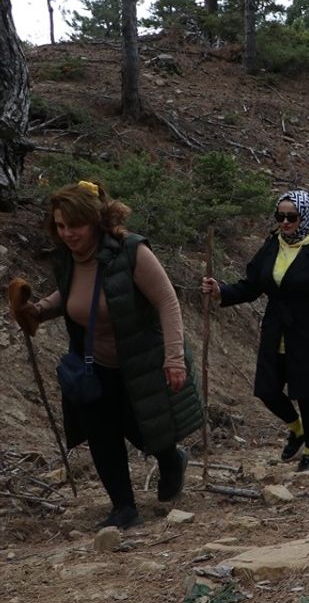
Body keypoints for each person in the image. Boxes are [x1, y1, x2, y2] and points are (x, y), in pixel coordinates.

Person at [13, 180, 202, 528]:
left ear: (96, 221)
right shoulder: (68, 260)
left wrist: (173, 358)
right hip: (93, 364)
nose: (67, 233)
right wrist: (38, 310)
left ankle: (171, 459)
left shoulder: (131, 251)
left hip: (141, 359)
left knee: (145, 428)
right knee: (102, 434)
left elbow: (167, 302)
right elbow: (72, 295)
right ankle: (123, 508)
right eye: (60, 226)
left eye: (75, 225)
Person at [202, 190, 309, 472]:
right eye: (281, 216)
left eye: (292, 217)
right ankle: (296, 429)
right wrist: (221, 291)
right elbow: (252, 285)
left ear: (305, 217)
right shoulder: (272, 245)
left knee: (307, 393)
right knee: (267, 389)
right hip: (276, 330)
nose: (285, 222)